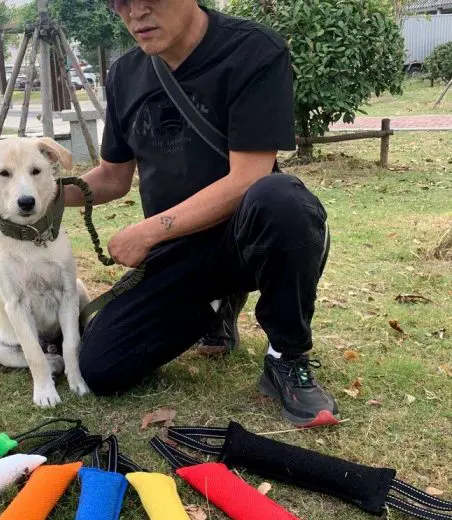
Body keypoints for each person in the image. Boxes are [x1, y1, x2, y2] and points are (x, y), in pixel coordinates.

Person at [64, 0, 339, 428]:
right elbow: (114, 177)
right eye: (120, 2)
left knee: (282, 200)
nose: (135, 12)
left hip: (249, 239)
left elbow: (248, 177)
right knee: (101, 367)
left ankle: (286, 355)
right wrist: (40, 192)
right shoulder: (124, 75)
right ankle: (216, 306)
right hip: (178, 251)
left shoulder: (253, 50)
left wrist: (148, 231)